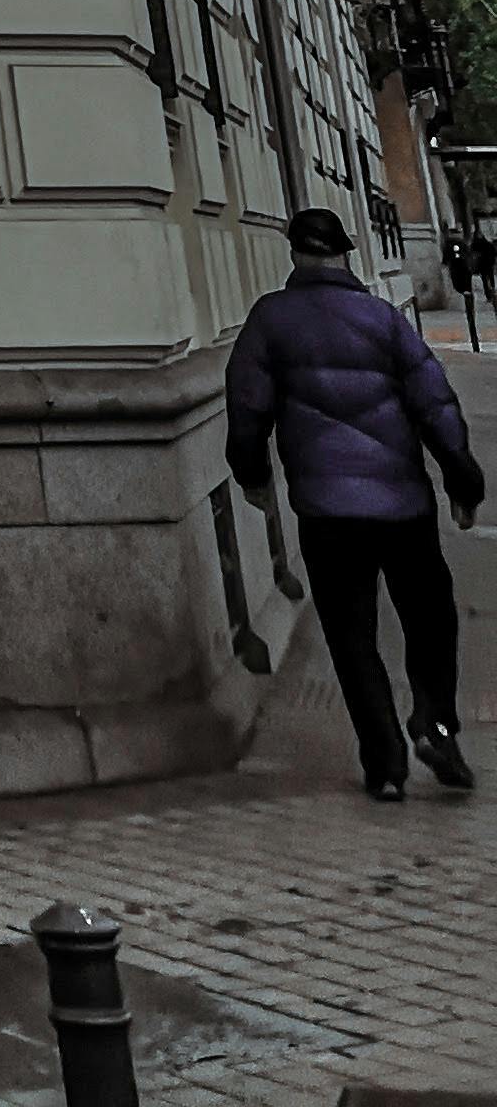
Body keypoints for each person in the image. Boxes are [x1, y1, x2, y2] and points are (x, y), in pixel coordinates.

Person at [228, 201, 485, 799]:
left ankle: (386, 763)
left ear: (294, 254)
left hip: (326, 511)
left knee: (350, 634)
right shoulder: (382, 319)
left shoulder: (270, 319)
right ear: (344, 253)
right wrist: (462, 480)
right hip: (403, 507)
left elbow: (247, 407)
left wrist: (251, 473)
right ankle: (438, 724)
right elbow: (436, 403)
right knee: (430, 619)